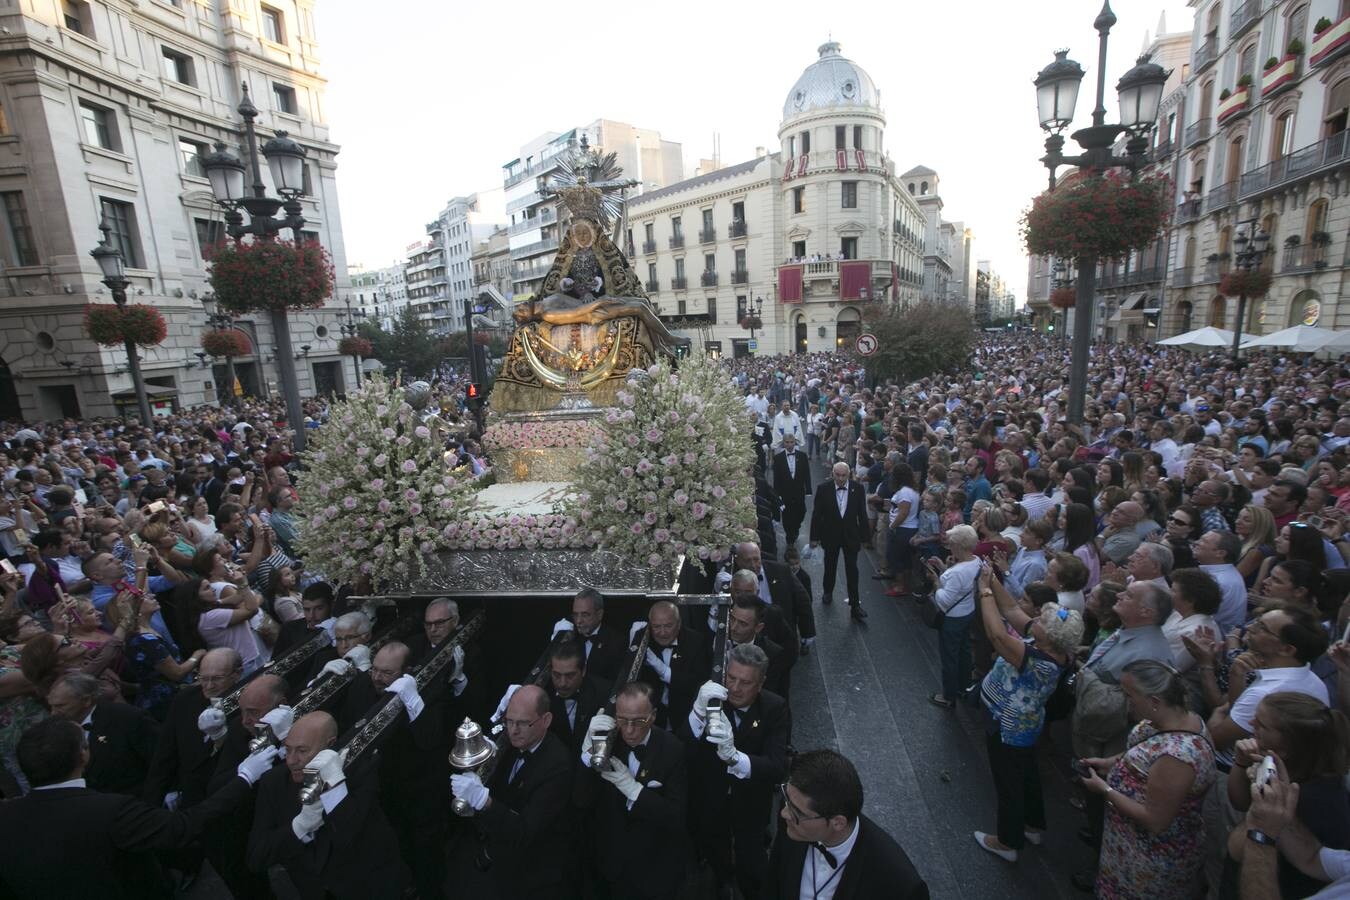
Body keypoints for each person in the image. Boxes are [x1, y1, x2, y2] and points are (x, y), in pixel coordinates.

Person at [0, 717, 270, 900]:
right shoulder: (110, 811)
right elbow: (183, 827)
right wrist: (244, 777)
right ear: (83, 755)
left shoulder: (6, 817)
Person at [972, 562, 1083, 862]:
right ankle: (1034, 825)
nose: (1036, 621)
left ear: (1050, 635)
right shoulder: (1055, 645)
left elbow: (997, 635)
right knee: (1027, 775)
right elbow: (1011, 610)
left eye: (1042, 621)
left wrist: (984, 593)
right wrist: (993, 580)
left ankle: (1007, 842)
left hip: (1007, 725)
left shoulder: (1039, 659)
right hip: (1026, 725)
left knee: (1007, 781)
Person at [1079, 660, 1216, 899]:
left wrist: (1105, 790)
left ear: (1154, 702)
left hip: (1147, 860)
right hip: (1124, 846)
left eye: (1129, 695)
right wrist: (1110, 762)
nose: (1125, 701)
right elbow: (1144, 751)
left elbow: (1155, 820)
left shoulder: (1178, 757)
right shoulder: (1172, 717)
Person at [248, 710, 404, 899]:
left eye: (302, 751)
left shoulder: (362, 771)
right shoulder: (273, 782)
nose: (291, 761)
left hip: (371, 888)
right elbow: (257, 856)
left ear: (329, 746)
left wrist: (335, 788)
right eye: (288, 749)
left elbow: (350, 834)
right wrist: (299, 827)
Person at [683, 645, 790, 897]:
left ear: (761, 683)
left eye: (745, 682)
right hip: (711, 796)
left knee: (751, 860)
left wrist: (735, 758)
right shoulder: (709, 699)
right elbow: (683, 749)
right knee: (714, 848)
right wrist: (697, 715)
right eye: (731, 678)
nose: (735, 688)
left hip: (751, 801)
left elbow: (776, 767)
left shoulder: (775, 708)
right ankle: (722, 881)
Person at [1224, 691, 1350, 899]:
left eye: (1262, 725)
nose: (1251, 722)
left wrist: (1261, 822)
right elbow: (1311, 857)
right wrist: (1242, 764)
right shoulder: (1300, 782)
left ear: (1287, 749)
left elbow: (1237, 848)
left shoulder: (1312, 801)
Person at [764, 749, 929, 899]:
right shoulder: (793, 819)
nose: (784, 813)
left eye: (797, 812)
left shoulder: (899, 883)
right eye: (786, 798)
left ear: (838, 823)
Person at [581, 681, 690, 899]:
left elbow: (676, 816)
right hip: (610, 868)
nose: (629, 730)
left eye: (639, 721)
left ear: (654, 715)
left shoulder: (673, 749)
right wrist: (586, 754)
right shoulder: (606, 743)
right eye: (622, 720)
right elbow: (581, 799)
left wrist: (634, 790)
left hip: (656, 869)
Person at [46, 671, 159, 796]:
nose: (53, 713)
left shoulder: (128, 718)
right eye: (51, 706)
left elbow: (159, 759)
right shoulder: (55, 728)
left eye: (60, 706)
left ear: (86, 701)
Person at [926, 524, 981, 710]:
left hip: (952, 618)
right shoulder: (976, 562)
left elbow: (944, 600)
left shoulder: (958, 572)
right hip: (967, 612)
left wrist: (935, 582)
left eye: (950, 545)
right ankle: (963, 685)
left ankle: (948, 696)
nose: (949, 547)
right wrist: (943, 568)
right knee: (964, 651)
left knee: (949, 656)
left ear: (958, 546)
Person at [809, 462, 871, 619]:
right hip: (830, 535)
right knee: (830, 565)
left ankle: (855, 605)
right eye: (838, 475)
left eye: (844, 475)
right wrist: (814, 537)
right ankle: (828, 591)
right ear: (833, 473)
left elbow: (862, 514)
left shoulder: (858, 488)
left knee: (852, 570)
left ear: (849, 474)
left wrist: (865, 538)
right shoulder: (823, 489)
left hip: (851, 536)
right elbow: (817, 515)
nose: (841, 479)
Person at [636, 599, 710, 728]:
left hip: (686, 718)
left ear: (679, 623)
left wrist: (664, 671)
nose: (663, 632)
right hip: (653, 722)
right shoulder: (644, 641)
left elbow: (699, 683)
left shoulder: (697, 642)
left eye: (668, 626)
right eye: (657, 626)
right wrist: (633, 647)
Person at [773, 433, 812, 547]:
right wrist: (777, 495)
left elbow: (807, 474)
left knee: (801, 512)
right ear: (783, 443)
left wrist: (808, 489)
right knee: (787, 516)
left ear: (795, 442)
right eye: (787, 442)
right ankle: (790, 537)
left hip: (799, 491)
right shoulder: (778, 458)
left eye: (792, 442)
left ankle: (796, 527)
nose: (789, 445)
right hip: (785, 493)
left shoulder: (802, 456)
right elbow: (777, 478)